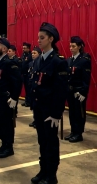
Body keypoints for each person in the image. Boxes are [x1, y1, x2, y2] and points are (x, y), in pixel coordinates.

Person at [29, 22, 68, 184]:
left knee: (51, 142)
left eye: (42, 38)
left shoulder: (58, 62)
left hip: (50, 111)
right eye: (38, 37)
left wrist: (56, 114)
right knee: (42, 140)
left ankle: (51, 175)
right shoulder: (38, 61)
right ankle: (43, 169)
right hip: (39, 109)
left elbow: (60, 91)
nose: (38, 40)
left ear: (51, 39)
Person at [0, 38, 22, 158]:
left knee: (6, 123)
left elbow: (17, 82)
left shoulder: (9, 63)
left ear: (4, 49)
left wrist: (14, 98)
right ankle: (3, 144)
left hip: (5, 98)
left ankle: (9, 146)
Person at [65, 36, 91, 143]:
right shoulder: (69, 60)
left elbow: (86, 78)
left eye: (74, 46)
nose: (71, 48)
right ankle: (73, 131)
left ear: (79, 47)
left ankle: (78, 133)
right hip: (70, 91)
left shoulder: (84, 60)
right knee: (72, 113)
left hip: (79, 91)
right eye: (70, 46)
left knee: (79, 113)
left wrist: (83, 92)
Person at [28, 46, 42, 128]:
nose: (32, 55)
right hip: (31, 85)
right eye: (32, 53)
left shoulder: (39, 62)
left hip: (37, 86)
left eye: (34, 53)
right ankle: (35, 119)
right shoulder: (31, 63)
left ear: (39, 54)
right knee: (33, 104)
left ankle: (38, 120)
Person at [21, 42, 32, 107]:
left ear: (28, 49)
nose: (23, 49)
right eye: (23, 48)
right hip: (24, 75)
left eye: (25, 48)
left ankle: (29, 102)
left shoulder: (30, 55)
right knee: (26, 88)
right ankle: (26, 101)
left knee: (28, 89)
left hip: (28, 75)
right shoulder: (23, 55)